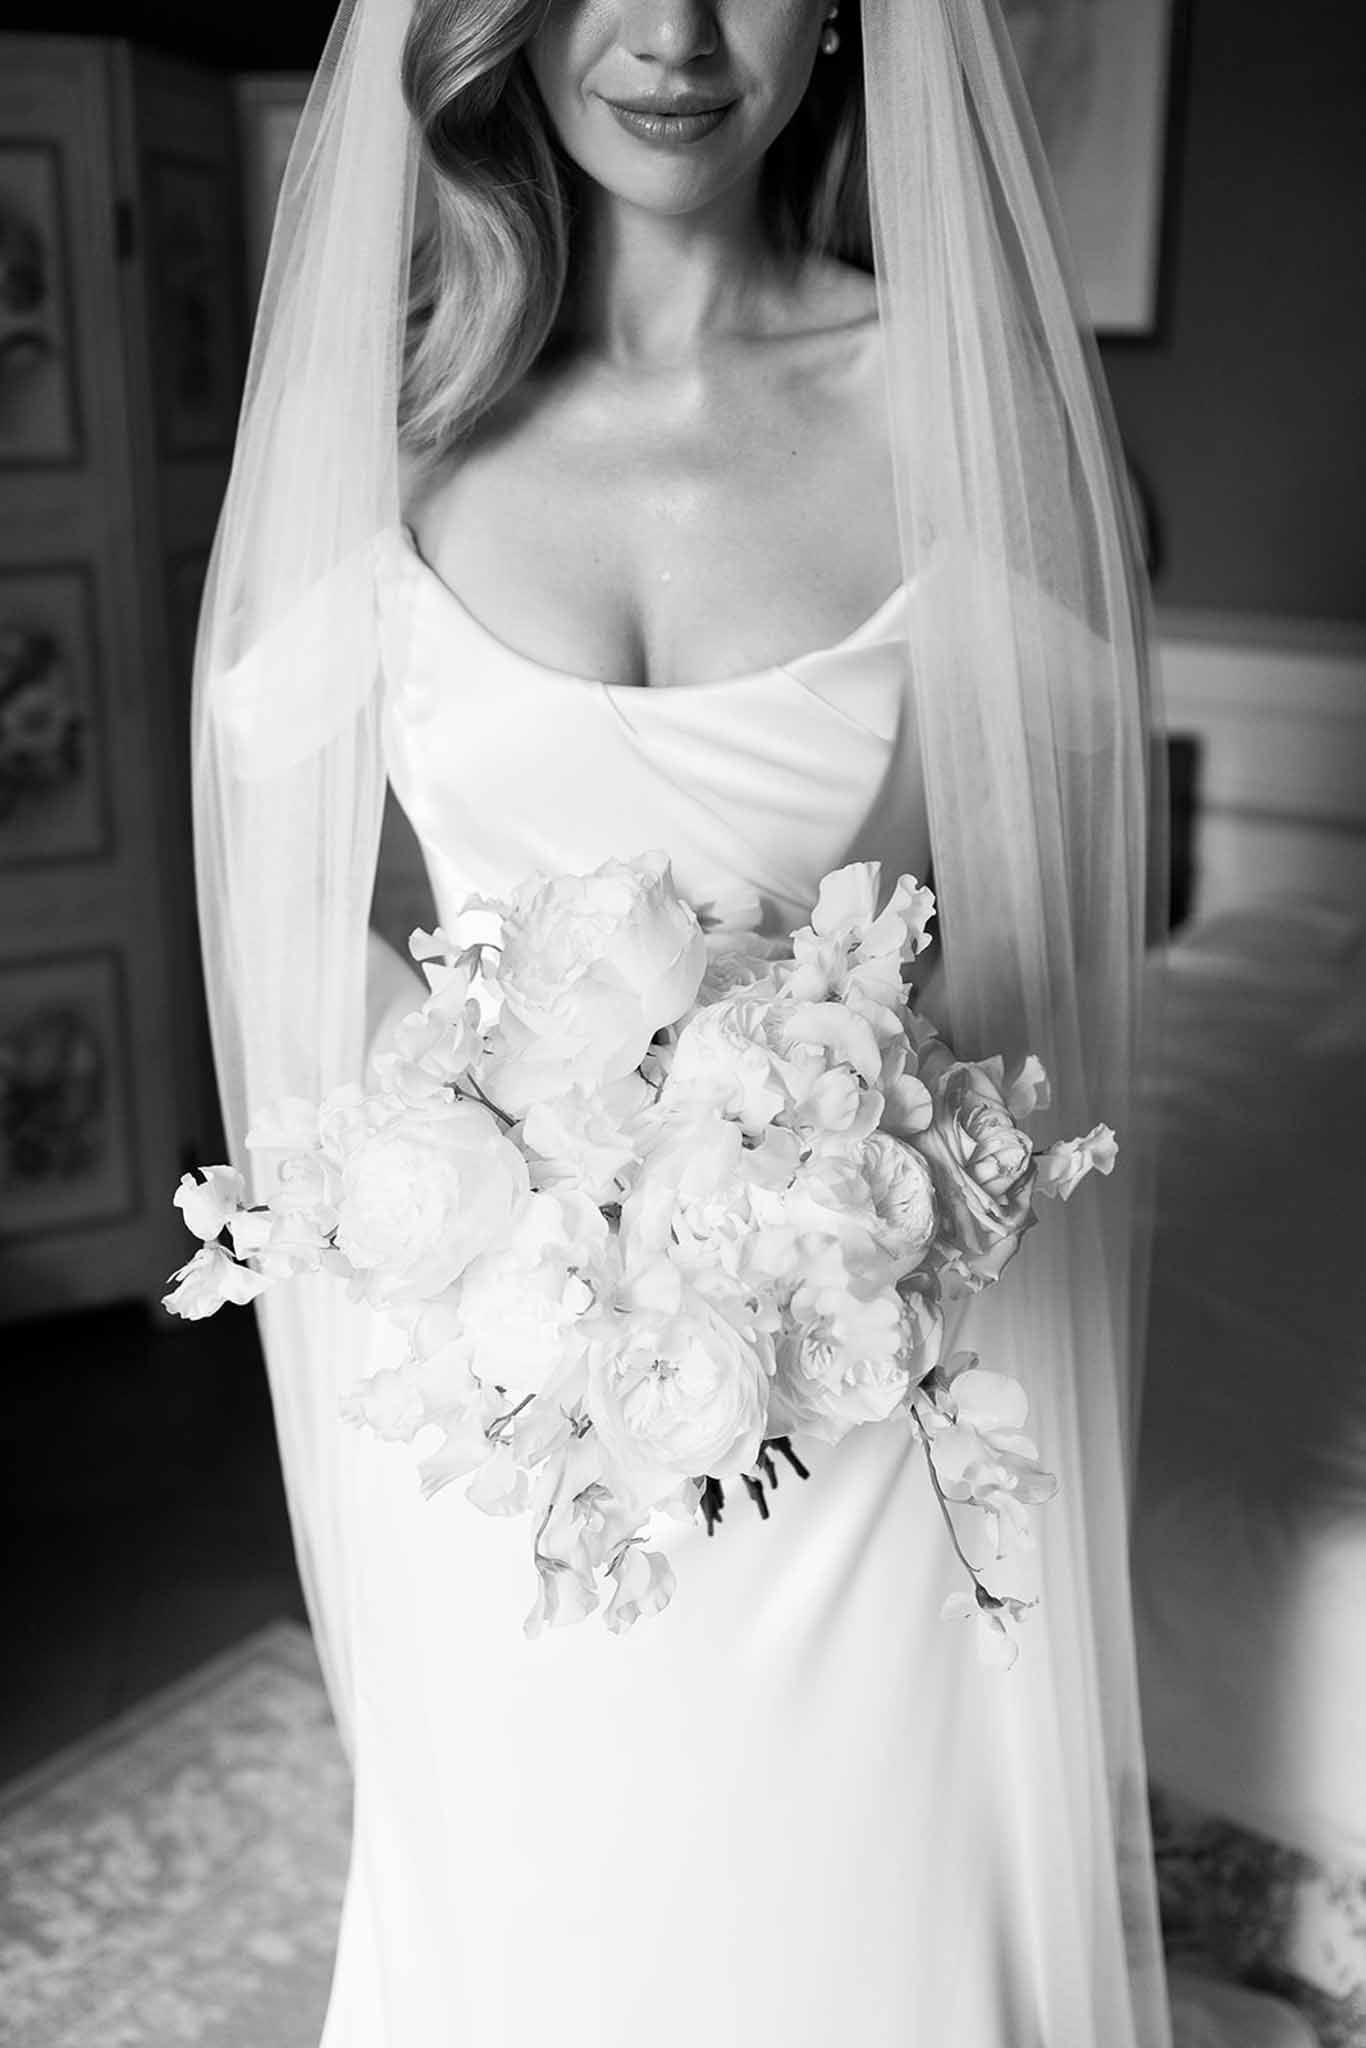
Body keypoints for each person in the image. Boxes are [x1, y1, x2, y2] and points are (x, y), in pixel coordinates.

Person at [189, 0, 1216, 2040]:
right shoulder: (391, 421)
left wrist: (806, 1152)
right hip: (506, 1418)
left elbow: (1023, 955)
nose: (665, 32)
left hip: (842, 1403)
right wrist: (470, 1164)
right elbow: (287, 893)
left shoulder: (952, 406)